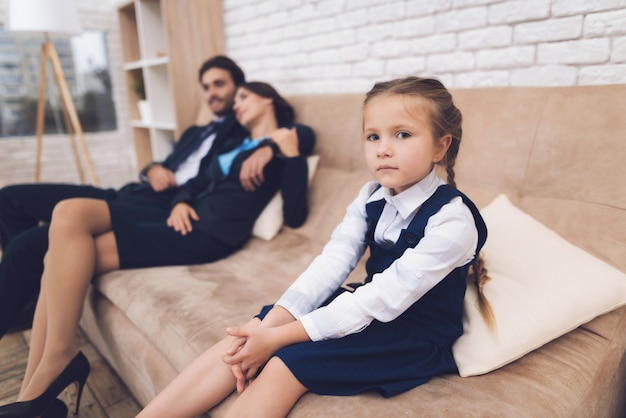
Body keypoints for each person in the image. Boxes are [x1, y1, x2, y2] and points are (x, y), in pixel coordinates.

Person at [132, 76, 495, 418]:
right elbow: (333, 262)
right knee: (248, 334)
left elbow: (381, 298)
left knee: (285, 364)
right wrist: (268, 328)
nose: (383, 150)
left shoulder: (453, 220)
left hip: (412, 336)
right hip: (367, 307)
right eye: (373, 137)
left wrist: (275, 341)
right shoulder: (370, 196)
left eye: (402, 134)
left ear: (440, 146)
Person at [0, 80, 314, 418]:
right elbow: (195, 185)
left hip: (209, 236)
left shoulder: (286, 144)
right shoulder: (238, 142)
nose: (236, 104)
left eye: (244, 96)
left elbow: (296, 212)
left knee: (69, 211)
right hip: (182, 221)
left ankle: (58, 362)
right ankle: (33, 393)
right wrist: (180, 202)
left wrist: (284, 150)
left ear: (268, 100)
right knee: (57, 254)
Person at [0, 55, 302, 338]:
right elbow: (168, 164)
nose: (212, 93)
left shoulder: (240, 132)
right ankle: (27, 294)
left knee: (32, 244)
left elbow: (292, 130)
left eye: (220, 85)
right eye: (206, 87)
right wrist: (152, 169)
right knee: (10, 199)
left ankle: (15, 305)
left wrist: (270, 147)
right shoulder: (196, 131)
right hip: (131, 192)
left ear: (242, 88)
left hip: (160, 207)